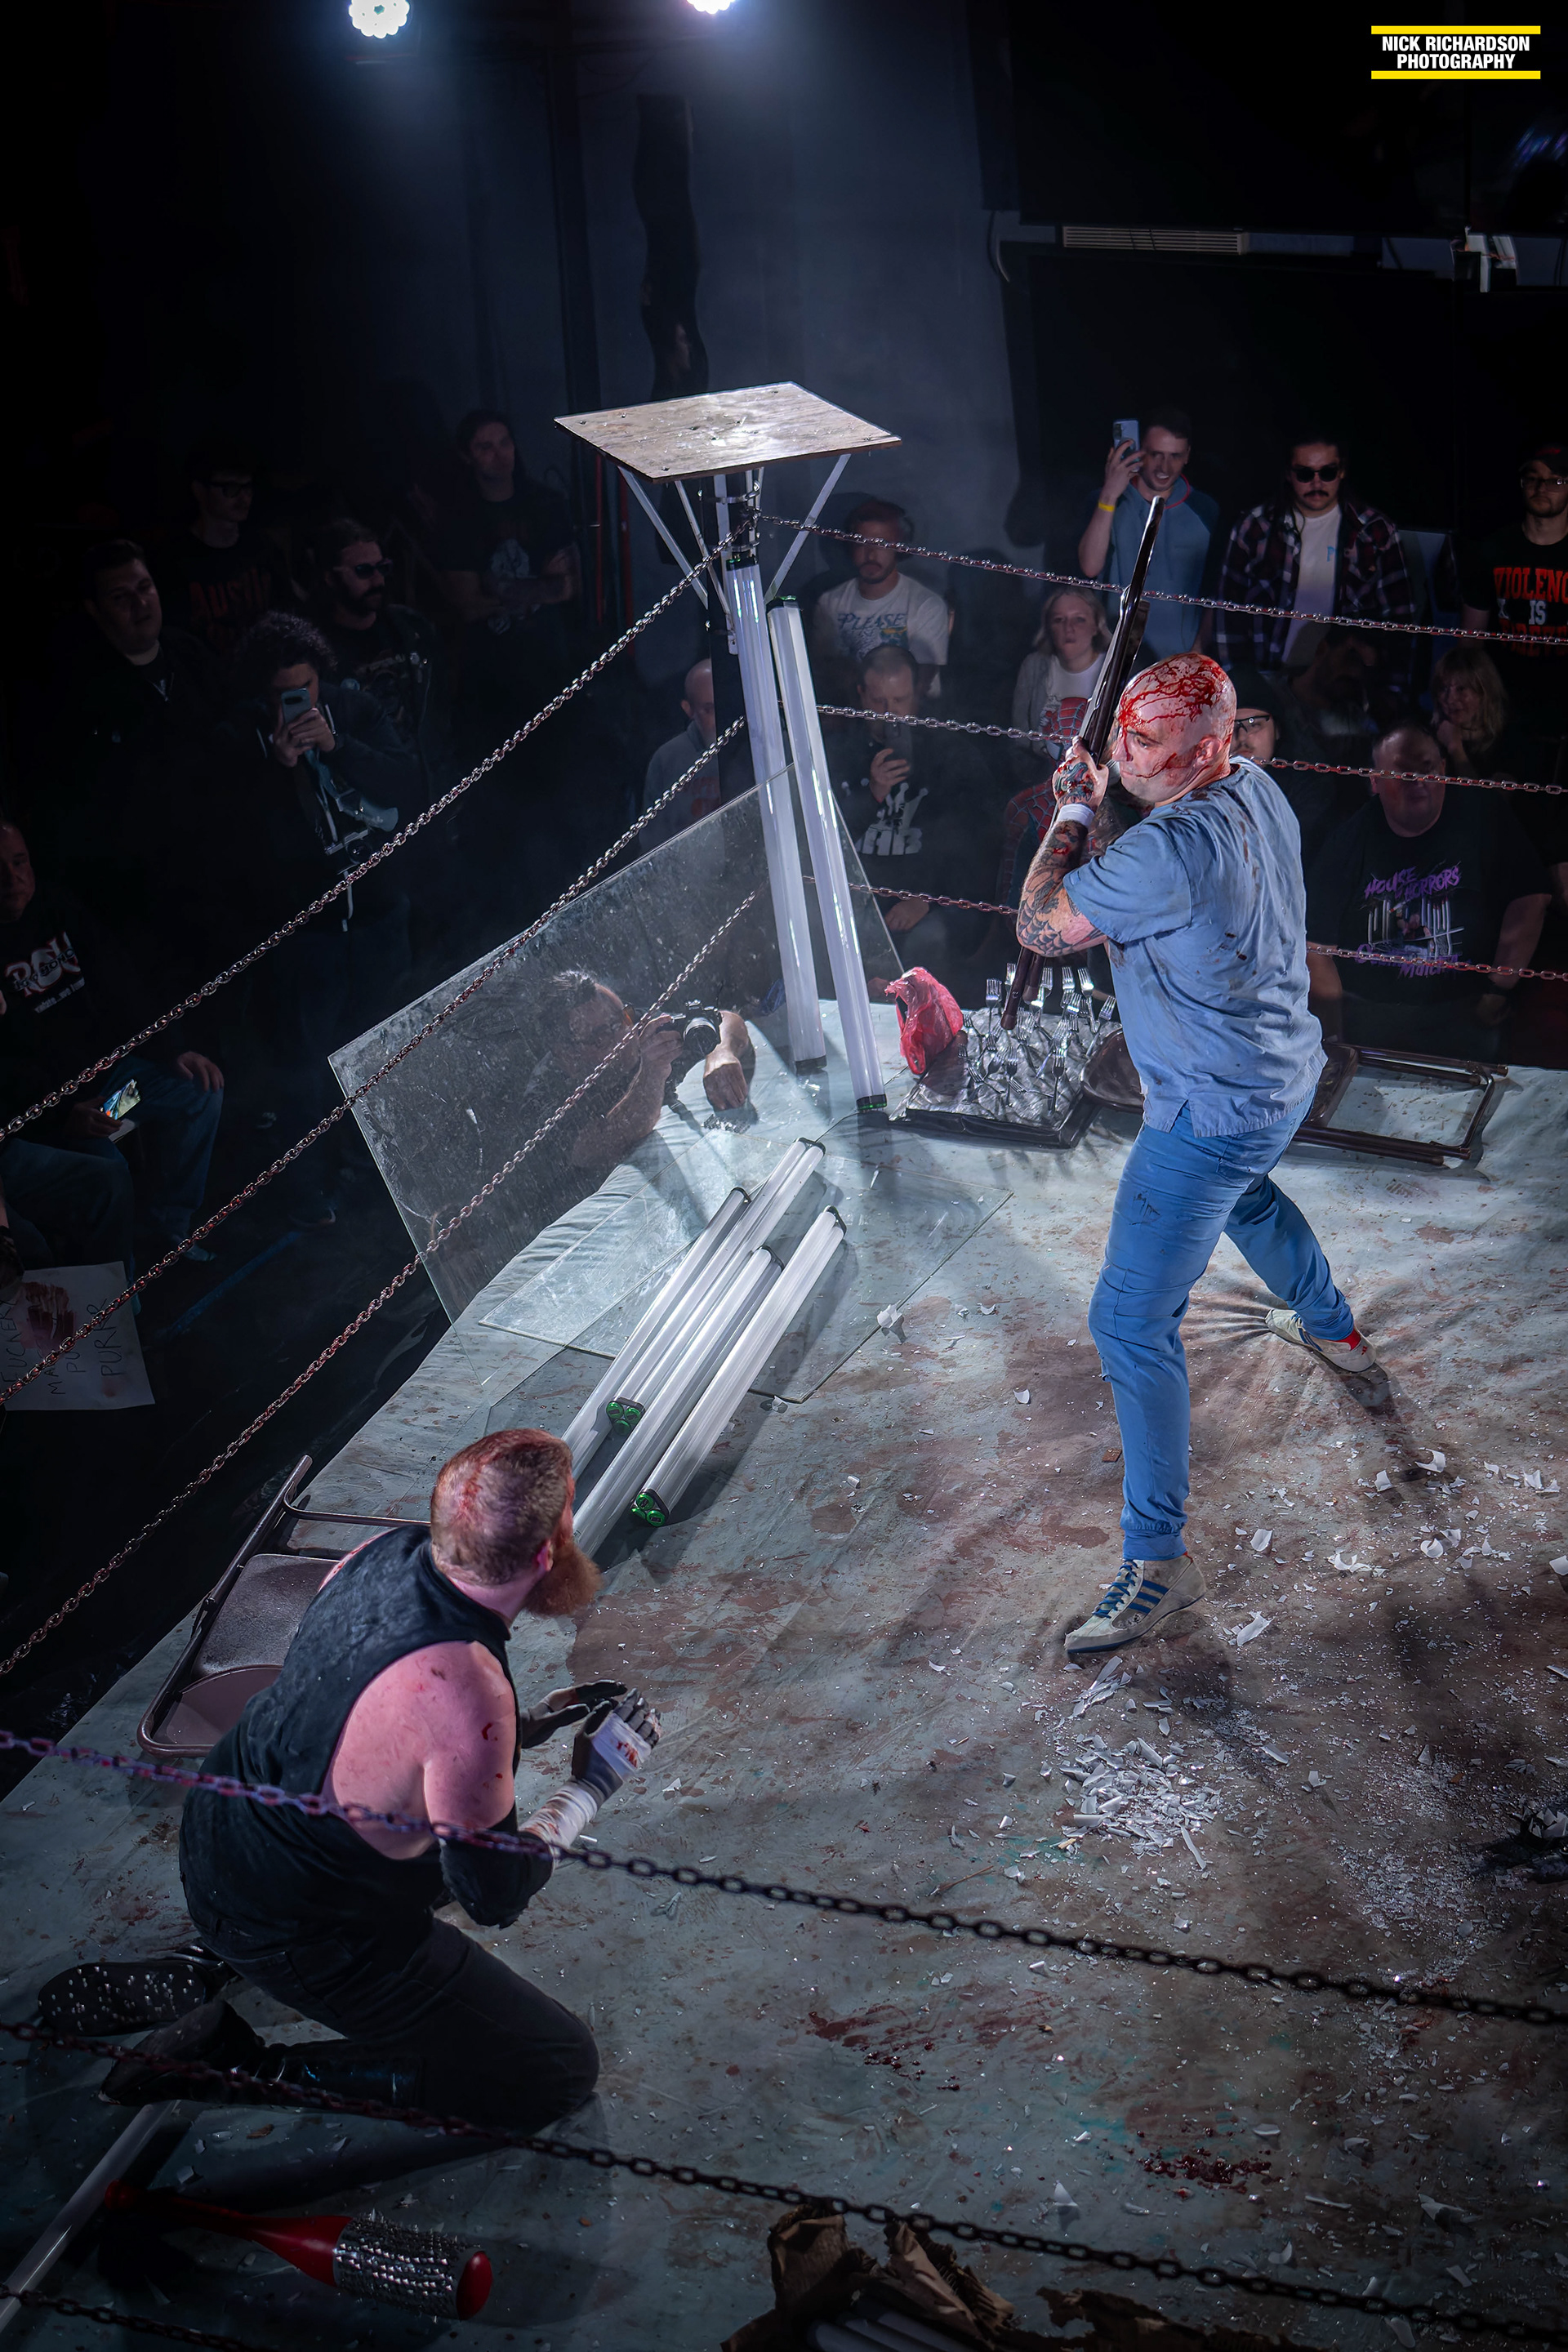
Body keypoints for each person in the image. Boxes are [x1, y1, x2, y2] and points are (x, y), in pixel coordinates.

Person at [91, 1429, 661, 2128]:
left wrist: (527, 1724)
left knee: (412, 1841)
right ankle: (239, 2068)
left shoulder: (376, 1554)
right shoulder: (471, 1695)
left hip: (223, 1832)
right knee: (554, 2070)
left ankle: (214, 1958)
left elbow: (362, 1700)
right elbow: (495, 1895)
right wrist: (590, 1787)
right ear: (547, 1554)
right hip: (308, 1926)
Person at [1008, 653, 1387, 1659]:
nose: (1126, 755)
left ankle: (1159, 1561)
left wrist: (1074, 809)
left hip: (1210, 1112)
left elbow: (1040, 923)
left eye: (1147, 743)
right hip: (1281, 1076)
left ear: (1207, 747)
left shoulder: (1165, 851)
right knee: (1247, 1196)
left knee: (1128, 1322)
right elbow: (1144, 871)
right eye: (1123, 736)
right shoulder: (1257, 787)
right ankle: (1338, 1332)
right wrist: (1112, 800)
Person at [216, 615, 417, 1227]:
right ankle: (310, 1195)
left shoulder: (353, 710)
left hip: (378, 919)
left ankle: (383, 1175)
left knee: (383, 1052)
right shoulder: (238, 740)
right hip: (307, 939)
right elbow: (242, 846)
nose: (299, 702)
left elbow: (407, 781)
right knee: (306, 1074)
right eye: (284, 693)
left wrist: (338, 746)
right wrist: (278, 771)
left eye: (306, 687)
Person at [0, 814, 224, 1272]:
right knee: (108, 1174)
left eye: (19, 862)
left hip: (114, 1093)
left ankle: (169, 1228)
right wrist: (60, 1114)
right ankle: (119, 1287)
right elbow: (8, 1067)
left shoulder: (57, 907)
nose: (13, 878)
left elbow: (121, 982)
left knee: (199, 1092)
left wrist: (172, 1049)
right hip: (55, 1115)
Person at [1304, 720, 1550, 1061]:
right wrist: (1334, 1036)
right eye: (1402, 773)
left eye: (1427, 769)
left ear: (1444, 770)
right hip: (1371, 1012)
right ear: (1375, 782)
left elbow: (1531, 896)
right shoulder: (1348, 838)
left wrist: (1499, 987)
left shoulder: (1482, 813)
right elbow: (1316, 948)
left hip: (1465, 1008)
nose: (1418, 781)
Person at [42, 541, 220, 934]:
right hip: (145, 895)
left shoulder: (190, 654)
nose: (140, 604)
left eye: (144, 587)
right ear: (95, 609)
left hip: (221, 868)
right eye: (120, 597)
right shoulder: (78, 690)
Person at [830, 644, 996, 998]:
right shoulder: (839, 752)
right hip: (861, 894)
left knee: (930, 940)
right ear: (861, 695)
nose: (890, 714)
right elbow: (823, 835)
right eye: (879, 701)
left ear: (918, 694)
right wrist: (872, 794)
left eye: (900, 700)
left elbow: (974, 845)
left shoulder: (950, 752)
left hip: (934, 893)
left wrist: (928, 899)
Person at [1215, 434, 1414, 694]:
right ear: (1289, 474)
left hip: (1341, 688)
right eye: (1305, 474)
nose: (1317, 483)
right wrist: (1239, 686)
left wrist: (1393, 694)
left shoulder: (1376, 532)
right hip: (1267, 682)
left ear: (1341, 471)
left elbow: (1400, 622)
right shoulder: (1254, 528)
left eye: (1327, 472)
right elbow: (1228, 615)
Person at [1458, 441, 1568, 767]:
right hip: (1503, 701)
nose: (1541, 488)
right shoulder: (1493, 550)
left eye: (1555, 480)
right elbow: (1470, 641)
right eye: (1533, 479)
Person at [1076, 410, 1218, 662]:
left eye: (1175, 456)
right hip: (1115, 657)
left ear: (1187, 455)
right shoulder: (1107, 501)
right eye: (1156, 454)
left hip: (1179, 659)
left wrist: (1197, 653)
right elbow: (1090, 566)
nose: (1165, 467)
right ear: (1140, 451)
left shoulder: (1204, 509)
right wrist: (1109, 495)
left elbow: (1217, 591)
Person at [810, 500, 949, 693]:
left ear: (899, 547)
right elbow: (823, 671)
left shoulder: (926, 605)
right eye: (861, 543)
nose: (871, 555)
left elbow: (921, 681)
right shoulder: (830, 603)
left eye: (882, 544)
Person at [157, 441, 278, 658]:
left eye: (247, 488)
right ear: (200, 491)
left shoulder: (264, 548)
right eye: (230, 489)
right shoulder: (173, 562)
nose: (244, 498)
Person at [1010, 588, 1110, 777]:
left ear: (1096, 625)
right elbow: (1020, 738)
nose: (1068, 628)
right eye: (1058, 620)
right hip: (1043, 777)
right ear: (1048, 627)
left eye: (1079, 619)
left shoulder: (1115, 669)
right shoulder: (1034, 667)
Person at [640, 657, 720, 849]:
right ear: (689, 709)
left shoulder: (756, 746)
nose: (719, 717)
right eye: (709, 710)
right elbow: (653, 842)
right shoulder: (667, 759)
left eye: (724, 705)